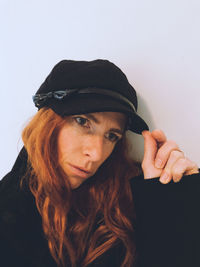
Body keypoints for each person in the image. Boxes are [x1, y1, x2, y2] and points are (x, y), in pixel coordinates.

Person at [0, 59, 199, 267]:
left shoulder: (120, 207)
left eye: (112, 136)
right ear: (47, 124)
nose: (96, 154)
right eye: (83, 122)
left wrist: (167, 200)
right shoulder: (8, 217)